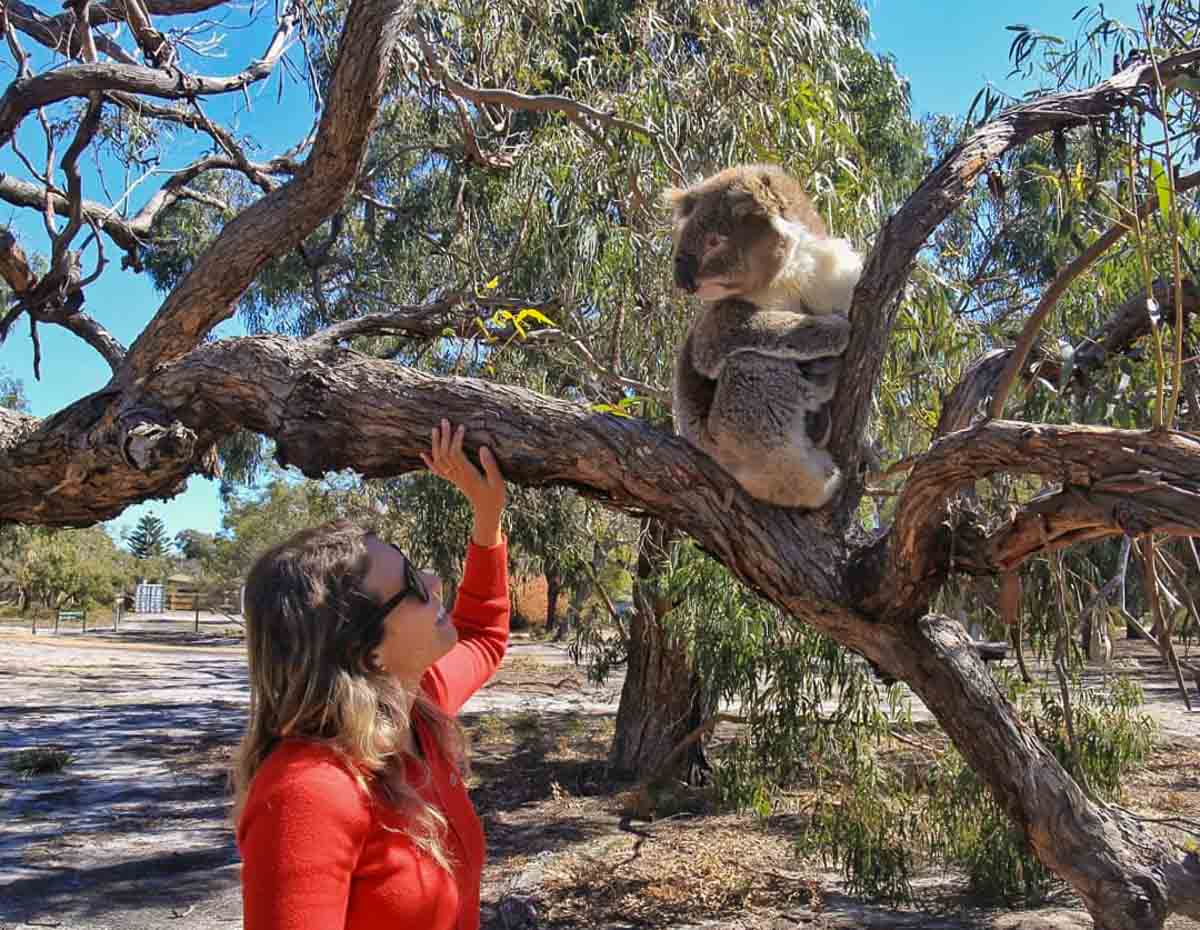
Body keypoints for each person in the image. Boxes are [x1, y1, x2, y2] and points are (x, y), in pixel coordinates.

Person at [233, 419, 509, 930]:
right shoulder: (308, 792)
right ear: (367, 653)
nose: (433, 580)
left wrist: (487, 517)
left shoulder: (416, 711)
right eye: (411, 586)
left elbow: (482, 636)